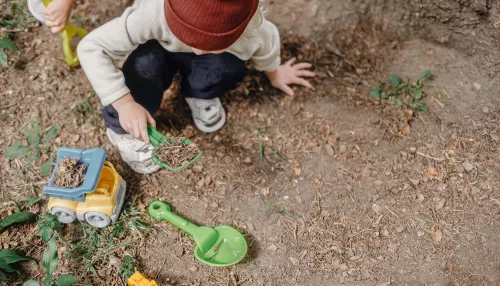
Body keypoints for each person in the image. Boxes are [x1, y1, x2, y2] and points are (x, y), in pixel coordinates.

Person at [77, 0, 315, 174]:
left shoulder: (254, 31)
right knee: (145, 66)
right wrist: (124, 103)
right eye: (190, 37)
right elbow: (90, 47)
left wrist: (275, 73)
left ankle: (201, 92)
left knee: (226, 66)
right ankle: (122, 128)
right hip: (159, 47)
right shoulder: (152, 13)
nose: (198, 50)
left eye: (211, 44)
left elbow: (267, 46)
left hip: (214, 58)